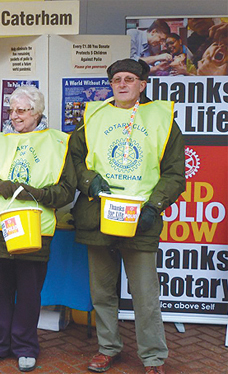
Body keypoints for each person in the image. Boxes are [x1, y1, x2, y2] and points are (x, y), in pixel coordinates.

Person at [69, 59, 185, 374]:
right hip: (99, 216)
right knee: (103, 291)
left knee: (145, 294)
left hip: (141, 218)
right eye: (117, 79)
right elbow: (74, 158)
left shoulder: (163, 119)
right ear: (111, 84)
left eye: (129, 79)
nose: (122, 84)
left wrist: (154, 206)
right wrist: (88, 180)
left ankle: (153, 357)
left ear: (142, 84)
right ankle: (108, 348)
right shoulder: (93, 116)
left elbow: (175, 173)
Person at [0, 86, 76, 372]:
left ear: (37, 112)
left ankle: (26, 346)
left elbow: (66, 191)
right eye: (12, 110)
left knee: (29, 293)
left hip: (34, 230)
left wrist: (38, 194)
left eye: (22, 110)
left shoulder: (59, 143)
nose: (15, 116)